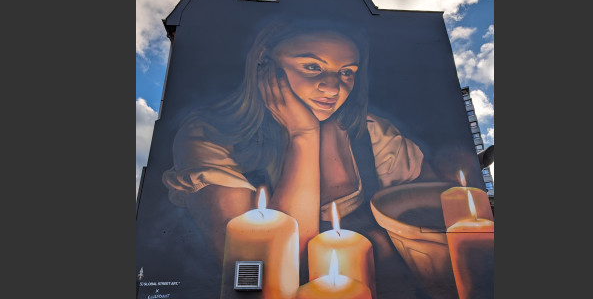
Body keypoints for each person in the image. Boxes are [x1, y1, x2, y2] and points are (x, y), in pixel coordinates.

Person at [162, 19, 425, 267]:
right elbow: (266, 263)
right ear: (264, 62)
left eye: (346, 72)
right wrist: (304, 135)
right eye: (312, 67)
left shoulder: (371, 131)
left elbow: (426, 211)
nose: (333, 89)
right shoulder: (209, 134)